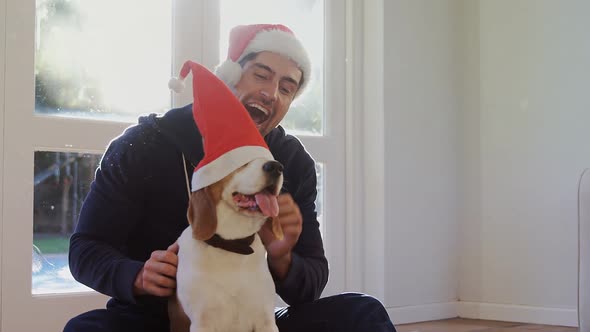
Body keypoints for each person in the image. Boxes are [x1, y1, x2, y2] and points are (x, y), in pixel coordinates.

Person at [64, 24, 396, 332]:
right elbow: (86, 249)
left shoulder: (290, 162)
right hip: (156, 319)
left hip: (249, 318)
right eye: (261, 75)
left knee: (363, 314)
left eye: (287, 87)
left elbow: (310, 284)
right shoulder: (143, 145)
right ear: (230, 75)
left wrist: (281, 256)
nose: (271, 94)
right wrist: (136, 275)